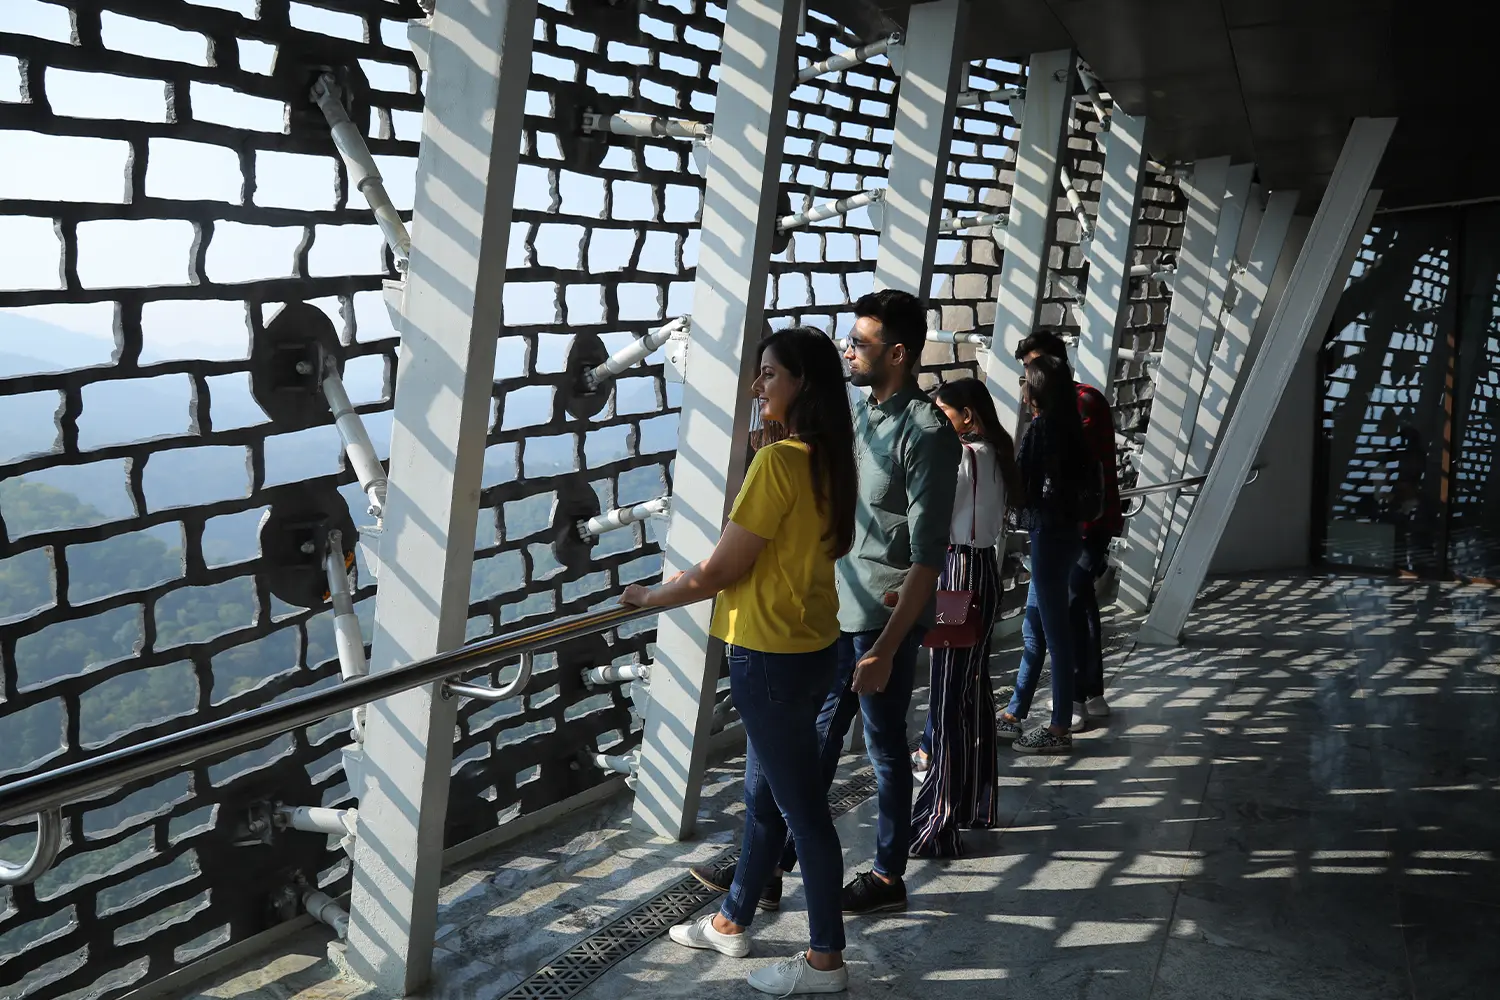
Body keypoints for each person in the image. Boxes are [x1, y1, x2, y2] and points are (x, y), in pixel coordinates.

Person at [623, 327, 857, 996]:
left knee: (804, 814)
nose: (758, 387)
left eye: (770, 376)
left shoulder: (778, 464)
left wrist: (650, 596)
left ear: (802, 383)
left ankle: (825, 964)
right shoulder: (831, 462)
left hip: (768, 656)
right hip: (816, 646)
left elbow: (717, 572)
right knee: (764, 795)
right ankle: (731, 921)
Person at [778, 288, 960, 912]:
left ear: (900, 354)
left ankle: (885, 872)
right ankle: (772, 855)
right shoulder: (858, 417)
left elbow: (928, 555)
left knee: (880, 747)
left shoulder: (928, 432)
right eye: (850, 341)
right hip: (832, 609)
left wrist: (885, 648)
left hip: (881, 620)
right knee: (817, 740)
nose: (849, 351)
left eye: (860, 343)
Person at [908, 377, 1020, 857]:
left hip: (956, 573)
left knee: (947, 699)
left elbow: (931, 513)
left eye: (944, 413)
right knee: (972, 694)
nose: (938, 421)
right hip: (983, 571)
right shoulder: (995, 452)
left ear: (967, 415)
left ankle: (940, 819)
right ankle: (976, 802)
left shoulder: (964, 458)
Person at [1013, 332, 1123, 732]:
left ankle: (1072, 704)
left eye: (1034, 367)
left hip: (1079, 527)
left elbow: (1059, 476)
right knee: (1078, 604)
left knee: (1066, 608)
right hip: (1079, 524)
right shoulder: (1073, 406)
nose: (1028, 378)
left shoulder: (1072, 409)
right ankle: (1089, 693)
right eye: (1026, 369)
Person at [1003, 354, 1091, 754]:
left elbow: (1024, 483)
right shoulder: (1073, 427)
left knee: (1052, 632)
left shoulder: (1041, 429)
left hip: (1048, 535)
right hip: (1068, 533)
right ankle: (1016, 711)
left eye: (1025, 380)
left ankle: (1058, 728)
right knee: (1038, 627)